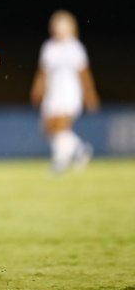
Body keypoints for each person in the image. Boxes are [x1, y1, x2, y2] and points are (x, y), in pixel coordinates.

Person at [30, 10, 100, 174]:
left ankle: (60, 161)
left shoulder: (75, 47)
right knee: (49, 128)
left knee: (61, 125)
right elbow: (43, 72)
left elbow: (84, 73)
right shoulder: (49, 47)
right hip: (53, 92)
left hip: (70, 92)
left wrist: (90, 94)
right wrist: (38, 89)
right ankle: (79, 148)